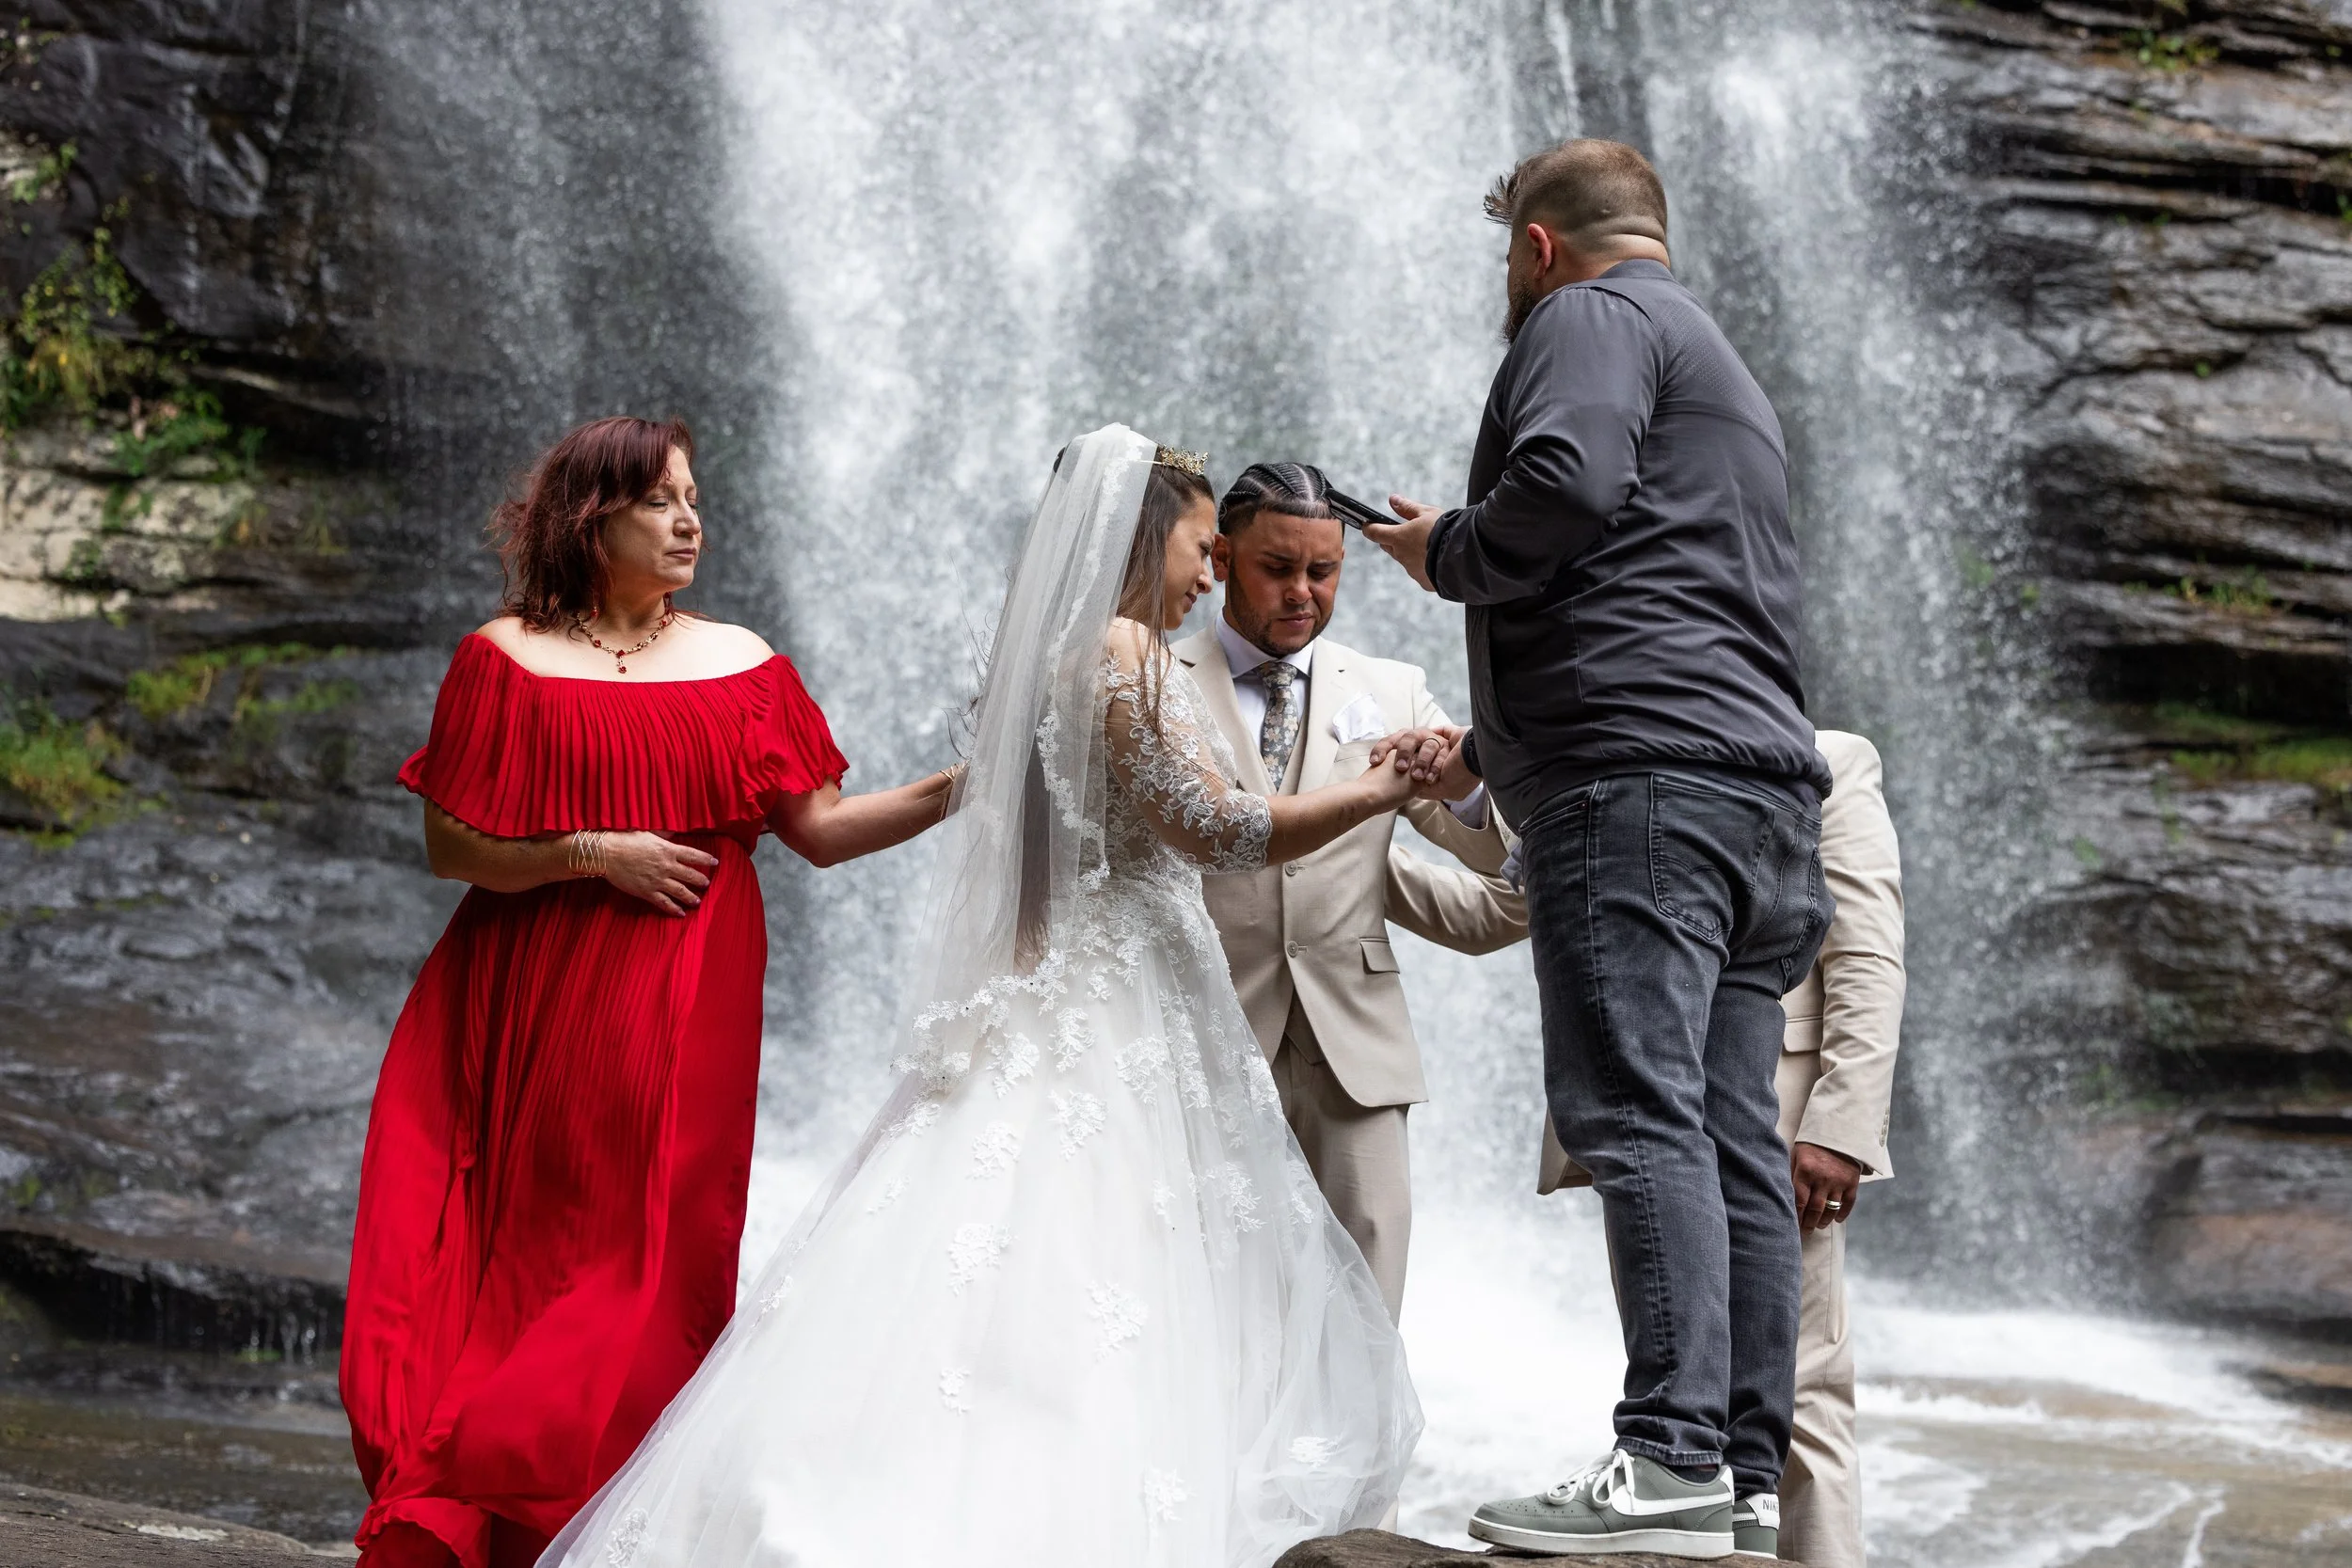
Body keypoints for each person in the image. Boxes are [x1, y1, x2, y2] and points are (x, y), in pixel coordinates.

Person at [543, 428, 1427, 1568]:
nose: (1209, 575)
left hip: (1068, 985)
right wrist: (1376, 787)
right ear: (1146, 536)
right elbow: (1219, 829)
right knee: (1110, 1265)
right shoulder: (1124, 652)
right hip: (1124, 1000)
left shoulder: (1048, 652)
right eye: (1206, 547)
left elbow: (1033, 858)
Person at [341, 417, 957, 1568]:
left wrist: (961, 789)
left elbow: (818, 831)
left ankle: (597, 1521)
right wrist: (592, 850)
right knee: (497, 1241)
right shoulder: (505, 655)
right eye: (662, 501)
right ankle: (468, 1499)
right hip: (522, 993)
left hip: (687, 997)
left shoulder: (744, 664)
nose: (690, 520)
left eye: (693, 498)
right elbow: (451, 843)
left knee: (645, 1255)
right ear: (592, 518)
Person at [1363, 138, 1835, 1559]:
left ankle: (1669, 1455)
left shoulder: (1588, 319)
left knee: (1634, 1116)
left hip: (1639, 798)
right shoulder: (1721, 365)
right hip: (1758, 799)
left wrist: (1445, 546)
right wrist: (1495, 752)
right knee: (1728, 1134)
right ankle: (1743, 1475)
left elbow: (1564, 488)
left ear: (1542, 249)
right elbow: (1671, 580)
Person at [1541, 729, 1904, 1564]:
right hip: (1656, 1125)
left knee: (1803, 1393)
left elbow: (1870, 954)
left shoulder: (1831, 757)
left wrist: (1839, 1126)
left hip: (1779, 1133)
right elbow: (1526, 893)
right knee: (1698, 1394)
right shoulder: (1634, 741)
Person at [1178, 460, 1524, 1324]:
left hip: (1357, 1056)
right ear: (1220, 557)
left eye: (1323, 570)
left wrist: (1465, 783)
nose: (1302, 591)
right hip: (1201, 1043)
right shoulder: (1154, 678)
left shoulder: (1394, 688)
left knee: (1364, 1325)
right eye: (1277, 568)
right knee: (1210, 1318)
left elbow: (1494, 859)